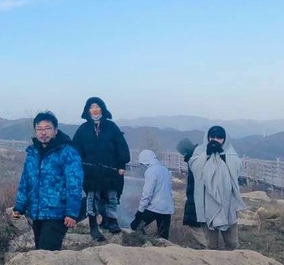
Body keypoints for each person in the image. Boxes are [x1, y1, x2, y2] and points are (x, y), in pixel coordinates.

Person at [13, 112, 84, 252]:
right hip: (37, 212)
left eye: (47, 128)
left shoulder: (67, 152)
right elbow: (25, 181)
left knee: (46, 253)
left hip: (57, 214)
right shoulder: (33, 152)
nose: (43, 132)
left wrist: (71, 213)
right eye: (39, 129)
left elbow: (74, 184)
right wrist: (20, 206)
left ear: (55, 130)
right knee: (40, 252)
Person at [71, 96, 130, 241]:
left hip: (110, 169)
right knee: (92, 198)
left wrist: (122, 164)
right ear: (87, 110)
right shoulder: (83, 129)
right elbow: (75, 149)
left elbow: (121, 145)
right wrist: (77, 166)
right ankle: (93, 227)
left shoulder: (111, 127)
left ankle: (112, 222)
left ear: (102, 109)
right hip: (90, 171)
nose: (95, 110)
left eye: (97, 106)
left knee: (112, 195)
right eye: (92, 107)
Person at [189, 126, 246, 250]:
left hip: (227, 200)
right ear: (208, 137)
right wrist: (207, 155)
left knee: (232, 242)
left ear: (224, 139)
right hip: (208, 200)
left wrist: (222, 155)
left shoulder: (230, 152)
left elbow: (237, 168)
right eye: (212, 137)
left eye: (219, 137)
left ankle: (233, 257)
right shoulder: (200, 151)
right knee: (211, 243)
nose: (215, 140)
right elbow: (194, 166)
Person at [131, 150, 174, 239]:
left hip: (154, 207)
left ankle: (146, 243)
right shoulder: (165, 170)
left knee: (135, 226)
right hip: (167, 208)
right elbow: (169, 190)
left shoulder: (150, 171)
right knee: (163, 237)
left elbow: (147, 193)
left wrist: (140, 210)